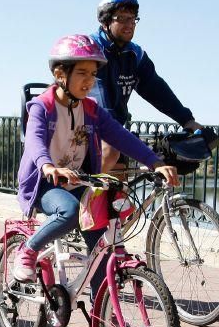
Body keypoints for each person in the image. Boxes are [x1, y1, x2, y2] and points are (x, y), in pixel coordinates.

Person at [13, 34, 178, 289]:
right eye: (82, 73)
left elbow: (121, 136)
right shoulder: (42, 106)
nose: (89, 81)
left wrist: (155, 162)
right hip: (45, 183)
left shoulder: (90, 109)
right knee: (69, 212)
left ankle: (102, 316)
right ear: (60, 73)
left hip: (78, 181)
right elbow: (34, 140)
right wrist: (48, 165)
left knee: (103, 245)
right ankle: (29, 248)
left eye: (93, 74)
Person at [89, 0, 206, 172]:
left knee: (118, 191)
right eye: (122, 18)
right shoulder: (91, 50)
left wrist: (187, 120)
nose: (129, 24)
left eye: (133, 19)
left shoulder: (135, 54)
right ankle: (81, 196)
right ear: (105, 22)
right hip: (85, 127)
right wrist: (119, 134)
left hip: (114, 128)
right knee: (112, 151)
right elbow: (99, 97)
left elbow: (156, 89)